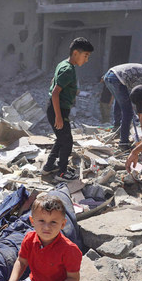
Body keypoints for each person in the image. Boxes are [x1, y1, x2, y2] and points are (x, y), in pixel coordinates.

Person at [42, 37, 94, 182]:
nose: (87, 60)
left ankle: (49, 167)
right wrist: (59, 117)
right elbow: (55, 92)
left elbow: (54, 82)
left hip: (55, 108)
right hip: (58, 110)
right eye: (86, 56)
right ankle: (62, 173)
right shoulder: (68, 70)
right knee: (67, 141)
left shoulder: (63, 64)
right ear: (76, 53)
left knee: (62, 138)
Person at [103, 63, 142, 147]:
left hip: (109, 75)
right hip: (117, 79)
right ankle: (124, 142)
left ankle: (117, 126)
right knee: (128, 112)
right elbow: (139, 99)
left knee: (120, 102)